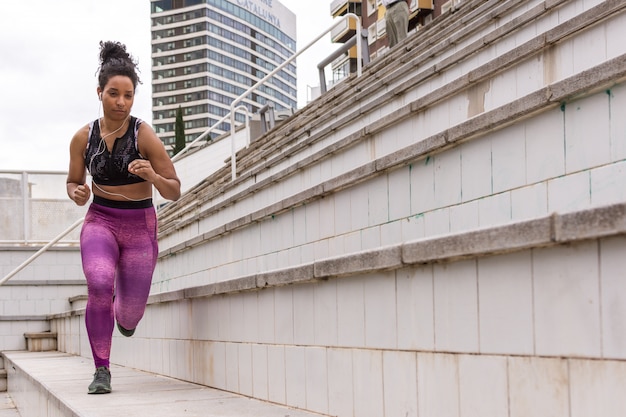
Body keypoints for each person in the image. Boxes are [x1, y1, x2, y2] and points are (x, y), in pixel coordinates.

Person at [66, 40, 181, 395]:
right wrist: (78, 193)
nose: (120, 102)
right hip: (100, 220)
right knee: (99, 284)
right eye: (113, 93)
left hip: (139, 227)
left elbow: (174, 189)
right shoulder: (83, 138)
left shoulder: (143, 134)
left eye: (128, 95)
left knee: (129, 315)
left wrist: (153, 177)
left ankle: (124, 317)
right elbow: (73, 182)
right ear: (99, 92)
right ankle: (102, 370)